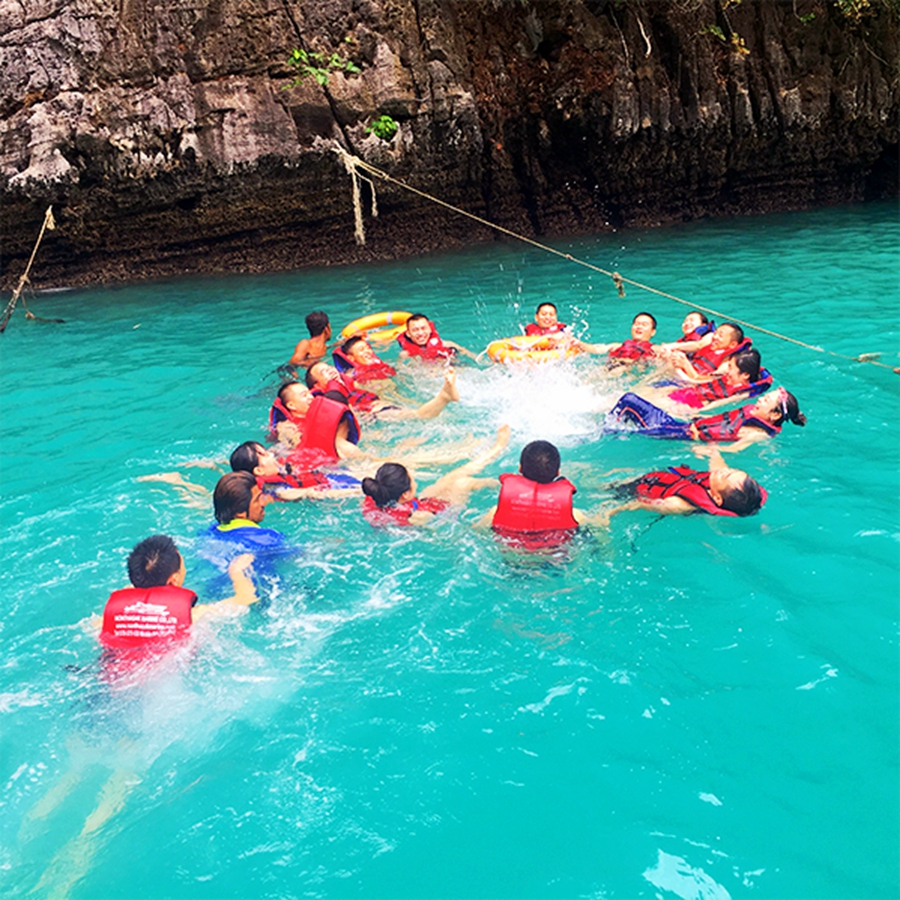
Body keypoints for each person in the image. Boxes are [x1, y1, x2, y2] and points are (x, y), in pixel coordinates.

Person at [99, 535, 257, 650]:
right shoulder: (193, 616)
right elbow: (247, 599)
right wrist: (237, 572)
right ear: (173, 581)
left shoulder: (109, 620)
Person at [361, 425, 511, 526]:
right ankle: (504, 487)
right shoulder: (415, 516)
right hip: (446, 511)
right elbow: (445, 529)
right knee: (463, 483)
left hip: (423, 503)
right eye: (410, 477)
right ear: (405, 494)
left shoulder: (374, 495)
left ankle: (496, 452)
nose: (413, 476)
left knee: (450, 478)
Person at [605, 386, 806, 451]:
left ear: (774, 415)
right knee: (629, 400)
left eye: (766, 400)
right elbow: (722, 421)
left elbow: (734, 449)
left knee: (628, 415)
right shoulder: (751, 413)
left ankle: (603, 431)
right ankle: (606, 428)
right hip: (682, 425)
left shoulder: (758, 433)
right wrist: (695, 415)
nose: (760, 399)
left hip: (678, 434)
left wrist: (707, 449)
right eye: (764, 396)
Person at [603, 445, 766, 519]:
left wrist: (613, 511)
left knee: (604, 483)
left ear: (717, 498)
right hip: (658, 477)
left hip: (630, 490)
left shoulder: (681, 505)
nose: (724, 470)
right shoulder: (720, 484)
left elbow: (641, 504)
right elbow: (719, 465)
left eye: (726, 476)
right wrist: (713, 452)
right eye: (732, 470)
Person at [482, 439, 590, 548]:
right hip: (554, 555)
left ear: (520, 468)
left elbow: (478, 530)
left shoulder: (494, 513)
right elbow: (596, 527)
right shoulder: (576, 515)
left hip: (511, 554)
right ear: (558, 472)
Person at [306, 360, 461, 421]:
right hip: (375, 414)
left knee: (422, 414)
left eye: (329, 367)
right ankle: (444, 396)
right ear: (317, 385)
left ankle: (443, 398)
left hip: (380, 406)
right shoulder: (325, 401)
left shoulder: (351, 384)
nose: (330, 370)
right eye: (323, 372)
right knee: (418, 415)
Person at [230, 440, 361, 499]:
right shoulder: (279, 491)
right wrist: (357, 491)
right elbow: (313, 493)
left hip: (327, 478)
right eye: (265, 455)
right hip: (332, 488)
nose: (271, 454)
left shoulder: (282, 471)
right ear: (259, 471)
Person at [664, 348, 771, 410]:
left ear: (745, 375)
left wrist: (694, 413)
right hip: (689, 393)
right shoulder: (726, 377)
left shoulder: (742, 393)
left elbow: (713, 406)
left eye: (731, 368)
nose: (727, 371)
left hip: (692, 405)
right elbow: (696, 381)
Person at [659, 321, 750, 378]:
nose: (715, 337)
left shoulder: (727, 362)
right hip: (679, 373)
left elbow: (709, 380)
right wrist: (671, 347)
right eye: (716, 333)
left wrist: (685, 364)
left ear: (732, 344)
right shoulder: (710, 340)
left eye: (720, 335)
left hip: (688, 382)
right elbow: (697, 345)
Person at [579, 312, 658, 362]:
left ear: (653, 332)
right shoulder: (616, 346)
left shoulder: (655, 349)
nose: (639, 327)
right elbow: (595, 349)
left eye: (644, 325)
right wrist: (578, 343)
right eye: (636, 324)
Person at [397, 313, 477, 361]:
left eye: (423, 328)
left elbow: (467, 352)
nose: (420, 333)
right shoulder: (405, 354)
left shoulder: (448, 344)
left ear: (430, 329)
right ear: (408, 334)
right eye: (415, 330)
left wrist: (477, 358)